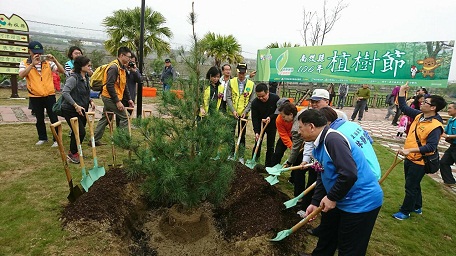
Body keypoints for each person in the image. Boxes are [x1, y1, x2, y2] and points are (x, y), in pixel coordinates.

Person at [299, 109, 383, 256]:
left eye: (300, 127)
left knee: (349, 248)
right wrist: (315, 201)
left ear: (311, 126)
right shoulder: (319, 143)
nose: (299, 131)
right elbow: (322, 173)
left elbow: (349, 174)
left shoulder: (333, 140)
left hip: (361, 200)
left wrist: (331, 197)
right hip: (341, 196)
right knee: (328, 232)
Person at [393, 82, 446, 220]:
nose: (421, 102)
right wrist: (402, 92)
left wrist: (410, 150)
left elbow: (431, 147)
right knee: (414, 184)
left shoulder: (435, 126)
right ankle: (417, 206)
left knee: (410, 187)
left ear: (433, 108)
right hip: (411, 157)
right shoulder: (419, 116)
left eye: (426, 102)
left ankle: (405, 212)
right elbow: (404, 107)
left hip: (420, 161)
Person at [19, 41, 65, 147]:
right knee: (39, 118)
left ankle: (56, 139)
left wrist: (55, 60)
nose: (38, 55)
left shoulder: (47, 63)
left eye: (39, 52)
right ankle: (42, 137)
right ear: (29, 51)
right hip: (35, 95)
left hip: (49, 94)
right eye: (35, 52)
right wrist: (32, 65)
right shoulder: (24, 63)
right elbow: (21, 75)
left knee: (53, 117)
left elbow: (62, 71)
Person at [93, 47, 135, 146]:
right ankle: (123, 141)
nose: (130, 59)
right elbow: (109, 85)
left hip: (114, 97)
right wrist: (117, 101)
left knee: (106, 118)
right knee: (125, 116)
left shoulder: (123, 68)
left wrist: (129, 99)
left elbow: (124, 86)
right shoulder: (114, 68)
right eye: (128, 57)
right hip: (109, 97)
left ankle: (94, 140)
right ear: (122, 55)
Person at [61, 56, 96, 163]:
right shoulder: (73, 78)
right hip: (70, 109)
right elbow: (65, 92)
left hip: (82, 109)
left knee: (77, 132)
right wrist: (75, 105)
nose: (90, 67)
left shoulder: (86, 78)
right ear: (81, 67)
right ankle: (73, 153)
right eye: (88, 65)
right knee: (80, 132)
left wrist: (90, 101)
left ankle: (75, 152)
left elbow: (84, 93)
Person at [226, 63, 256, 162]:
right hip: (232, 113)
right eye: (240, 73)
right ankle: (231, 154)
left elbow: (251, 100)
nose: (241, 75)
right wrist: (233, 110)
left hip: (244, 114)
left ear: (246, 72)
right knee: (230, 134)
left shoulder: (251, 84)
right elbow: (228, 98)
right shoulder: (231, 82)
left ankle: (241, 156)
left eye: (243, 73)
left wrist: (246, 111)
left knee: (242, 135)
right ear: (237, 71)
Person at [250, 83, 280, 167]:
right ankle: (254, 161)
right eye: (258, 96)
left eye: (263, 96)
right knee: (257, 143)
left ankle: (268, 165)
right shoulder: (255, 103)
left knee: (270, 145)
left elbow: (278, 112)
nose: (261, 98)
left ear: (268, 92)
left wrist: (270, 117)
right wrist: (256, 131)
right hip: (260, 125)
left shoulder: (275, 98)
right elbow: (254, 118)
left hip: (272, 124)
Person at [116, 53, 141, 127]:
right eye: (129, 61)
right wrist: (125, 68)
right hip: (122, 96)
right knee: (120, 115)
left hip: (132, 95)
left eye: (133, 62)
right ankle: (119, 130)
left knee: (129, 114)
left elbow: (139, 80)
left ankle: (126, 129)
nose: (130, 63)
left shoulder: (135, 70)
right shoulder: (121, 69)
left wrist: (134, 70)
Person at [439, 102, 456, 188]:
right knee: (444, 162)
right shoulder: (451, 120)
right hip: (453, 146)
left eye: (450, 108)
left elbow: (447, 134)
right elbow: (445, 132)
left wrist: (449, 136)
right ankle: (449, 181)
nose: (448, 110)